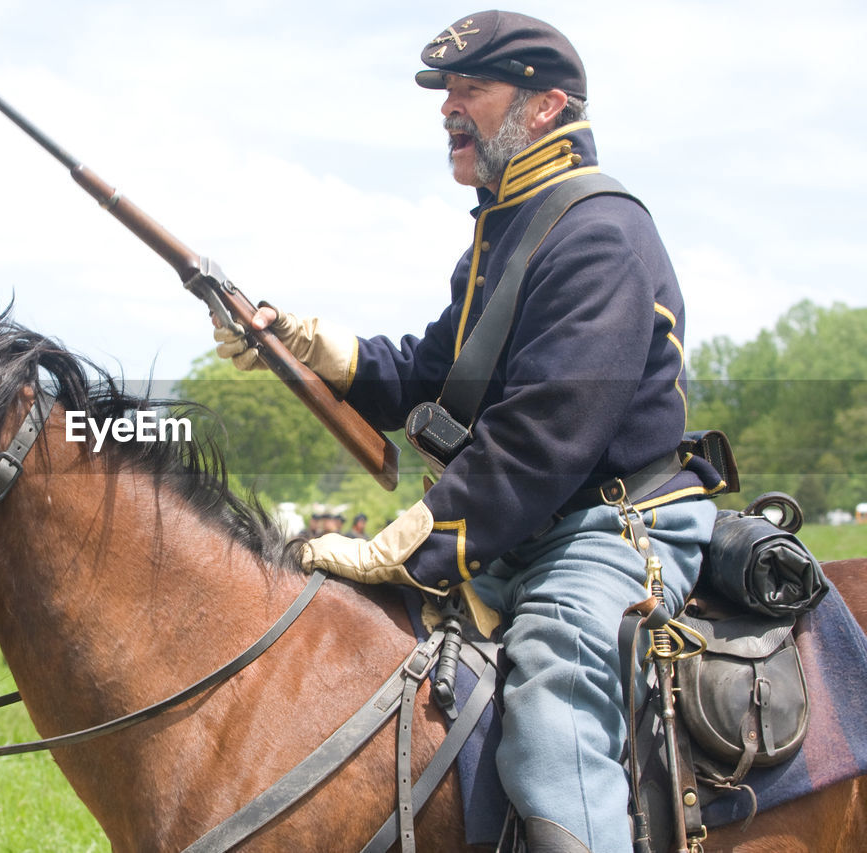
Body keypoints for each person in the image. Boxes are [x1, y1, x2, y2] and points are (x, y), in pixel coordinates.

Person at [214, 11, 728, 852]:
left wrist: (408, 541)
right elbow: (434, 379)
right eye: (447, 91)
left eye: (471, 90)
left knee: (555, 709)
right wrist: (298, 342)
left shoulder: (601, 235)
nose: (448, 109)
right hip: (521, 528)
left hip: (612, 528)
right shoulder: (511, 229)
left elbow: (541, 439)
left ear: (548, 106)